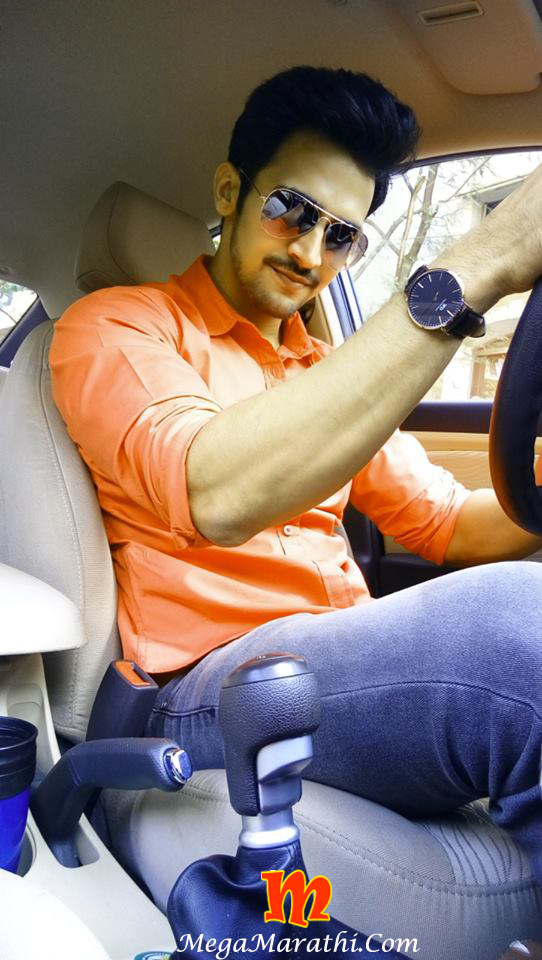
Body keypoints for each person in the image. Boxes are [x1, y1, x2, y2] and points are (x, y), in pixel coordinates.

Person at [51, 66, 542, 885]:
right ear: (229, 190)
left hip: (337, 664)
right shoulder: (118, 328)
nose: (312, 253)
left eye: (342, 235)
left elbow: (448, 523)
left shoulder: (322, 369)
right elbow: (214, 491)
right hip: (208, 690)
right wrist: (484, 260)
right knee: (523, 633)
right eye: (290, 209)